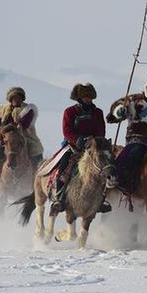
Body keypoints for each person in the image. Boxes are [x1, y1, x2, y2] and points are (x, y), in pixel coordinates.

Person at [50, 83, 109, 214]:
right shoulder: (70, 112)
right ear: (79, 97)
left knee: (105, 167)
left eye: (90, 97)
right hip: (73, 146)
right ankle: (59, 197)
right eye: (85, 97)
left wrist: (95, 142)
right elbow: (67, 131)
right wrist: (78, 140)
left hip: (93, 147)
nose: (88, 99)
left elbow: (101, 130)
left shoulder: (98, 112)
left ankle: (101, 199)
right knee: (64, 168)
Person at [0, 87, 44, 185]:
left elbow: (25, 124)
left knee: (37, 155)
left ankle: (37, 181)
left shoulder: (28, 109)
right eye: (14, 98)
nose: (16, 100)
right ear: (10, 99)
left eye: (18, 97)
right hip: (6, 138)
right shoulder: (3, 109)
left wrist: (10, 125)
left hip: (25, 137)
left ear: (22, 99)